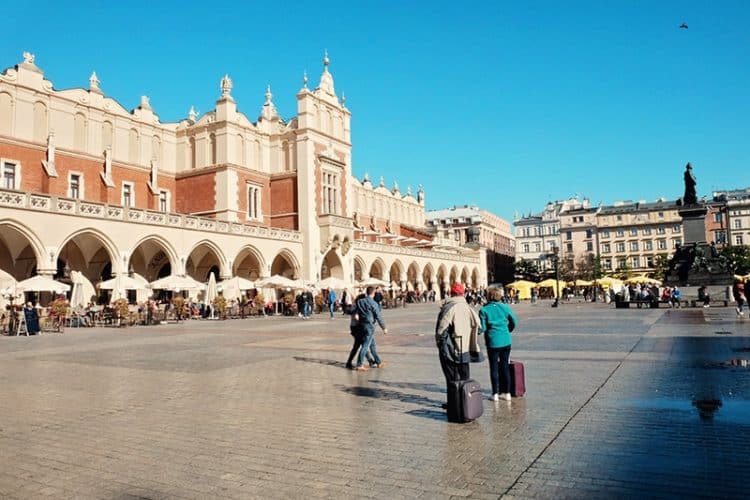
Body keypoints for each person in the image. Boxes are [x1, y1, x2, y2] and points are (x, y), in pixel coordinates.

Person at [434, 283, 480, 408]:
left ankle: (454, 403)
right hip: (465, 348)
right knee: (465, 376)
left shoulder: (449, 307)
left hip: (451, 348)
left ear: (451, 293)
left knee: (452, 376)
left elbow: (441, 329)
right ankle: (465, 402)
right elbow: (479, 326)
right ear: (463, 293)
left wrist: (440, 343)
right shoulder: (468, 307)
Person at [479, 287, 518, 402]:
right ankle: (506, 393)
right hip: (506, 340)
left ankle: (495, 393)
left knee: (494, 367)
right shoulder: (505, 307)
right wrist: (508, 329)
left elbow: (483, 328)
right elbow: (514, 321)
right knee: (505, 366)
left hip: (493, 342)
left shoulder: (484, 310)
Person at [353, 286, 388, 371]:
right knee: (366, 345)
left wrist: (357, 315)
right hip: (370, 325)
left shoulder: (360, 301)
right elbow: (378, 316)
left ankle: (378, 362)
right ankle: (359, 364)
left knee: (372, 345)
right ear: (373, 293)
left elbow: (356, 311)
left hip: (361, 324)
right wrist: (384, 327)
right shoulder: (373, 303)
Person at [345, 292, 376, 369]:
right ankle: (370, 361)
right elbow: (356, 317)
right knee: (362, 345)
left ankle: (349, 362)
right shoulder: (357, 306)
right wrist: (363, 321)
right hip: (357, 328)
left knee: (358, 345)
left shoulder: (355, 305)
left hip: (354, 327)